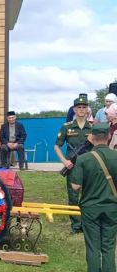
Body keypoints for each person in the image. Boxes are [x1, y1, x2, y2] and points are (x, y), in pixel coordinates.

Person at [70, 123, 117, 272]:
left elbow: (75, 186)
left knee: (93, 247)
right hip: (112, 208)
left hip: (90, 209)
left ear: (92, 137)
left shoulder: (84, 159)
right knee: (109, 246)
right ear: (109, 137)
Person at [55, 96, 93, 234]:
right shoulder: (67, 127)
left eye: (84, 107)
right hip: (72, 166)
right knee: (73, 195)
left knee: (88, 195)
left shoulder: (92, 127)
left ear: (87, 109)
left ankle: (87, 223)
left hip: (89, 166)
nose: (81, 110)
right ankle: (76, 225)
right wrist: (64, 161)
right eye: (79, 107)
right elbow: (57, 146)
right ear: (74, 109)